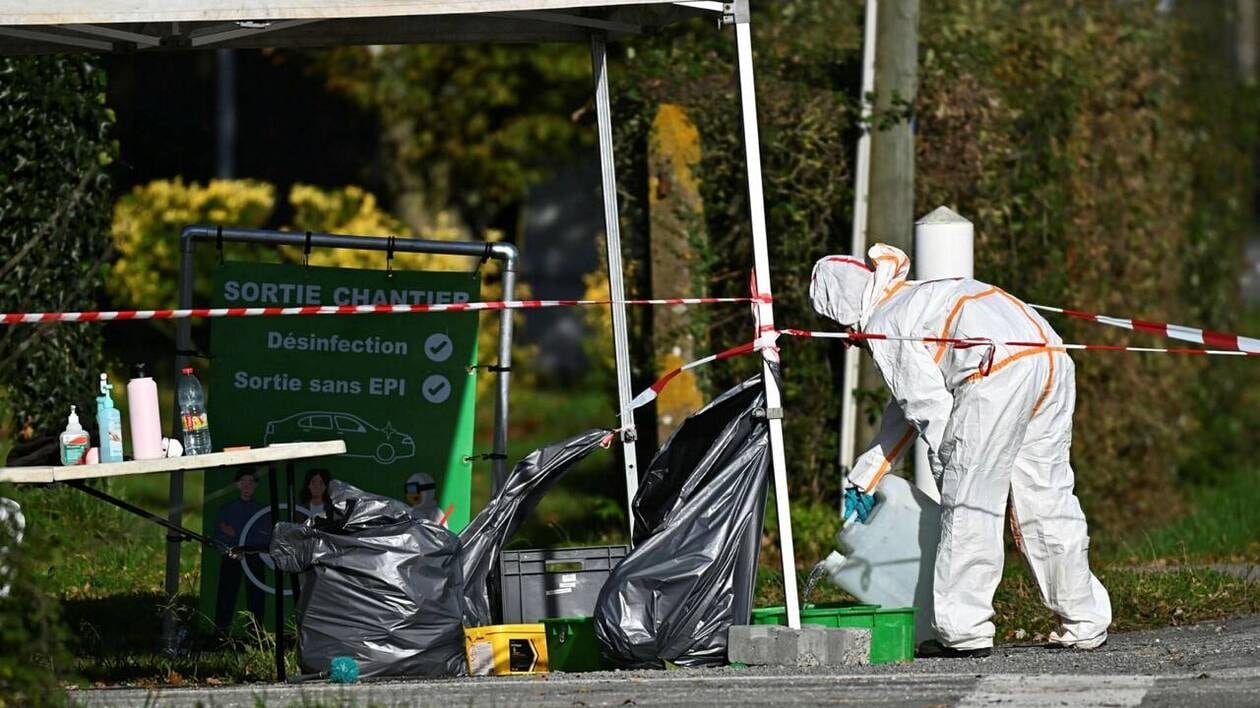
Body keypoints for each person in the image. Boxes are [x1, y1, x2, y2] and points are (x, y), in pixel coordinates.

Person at [810, 243, 1111, 657]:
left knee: (969, 504)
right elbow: (904, 405)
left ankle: (962, 631)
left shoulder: (884, 322)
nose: (850, 341)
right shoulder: (912, 298)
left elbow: (927, 407)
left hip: (995, 372)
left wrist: (949, 468)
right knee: (1047, 497)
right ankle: (1085, 620)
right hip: (1051, 357)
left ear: (843, 313)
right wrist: (868, 474)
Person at [213, 467, 269, 634]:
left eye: (251, 482)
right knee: (226, 595)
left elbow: (264, 537)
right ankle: (221, 634)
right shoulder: (227, 509)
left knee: (256, 597)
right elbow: (219, 535)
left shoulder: (262, 512)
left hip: (254, 559)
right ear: (238, 484)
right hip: (232, 557)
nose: (247, 485)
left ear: (255, 485)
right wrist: (231, 547)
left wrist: (238, 537)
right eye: (243, 481)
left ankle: (256, 635)